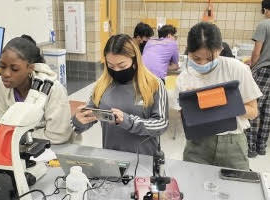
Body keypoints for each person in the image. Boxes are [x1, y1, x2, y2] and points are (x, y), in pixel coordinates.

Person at [172, 22, 262, 170]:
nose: (202, 63)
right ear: (188, 52)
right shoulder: (184, 77)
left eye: (209, 58)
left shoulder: (237, 69)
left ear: (219, 50)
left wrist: (223, 103)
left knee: (236, 188)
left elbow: (253, 112)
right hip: (197, 145)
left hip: (232, 143)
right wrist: (192, 104)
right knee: (193, 186)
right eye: (196, 58)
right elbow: (183, 117)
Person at [71, 34, 168, 156]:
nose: (116, 70)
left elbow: (161, 123)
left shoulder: (154, 84)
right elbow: (89, 118)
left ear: (135, 61)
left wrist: (129, 122)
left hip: (145, 159)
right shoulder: (101, 85)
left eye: (122, 66)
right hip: (111, 158)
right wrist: (78, 121)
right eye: (111, 66)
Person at [0, 35, 74, 145]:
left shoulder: (53, 89)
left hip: (53, 148)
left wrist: (14, 137)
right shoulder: (0, 83)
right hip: (16, 145)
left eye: (14, 69)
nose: (6, 74)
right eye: (2, 66)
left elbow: (58, 136)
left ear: (30, 68)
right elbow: (0, 122)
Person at [245, 0, 270, 158]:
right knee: (268, 111)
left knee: (253, 108)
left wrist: (251, 65)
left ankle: (251, 147)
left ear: (266, 9)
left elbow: (256, 53)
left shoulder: (264, 24)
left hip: (264, 71)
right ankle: (262, 147)